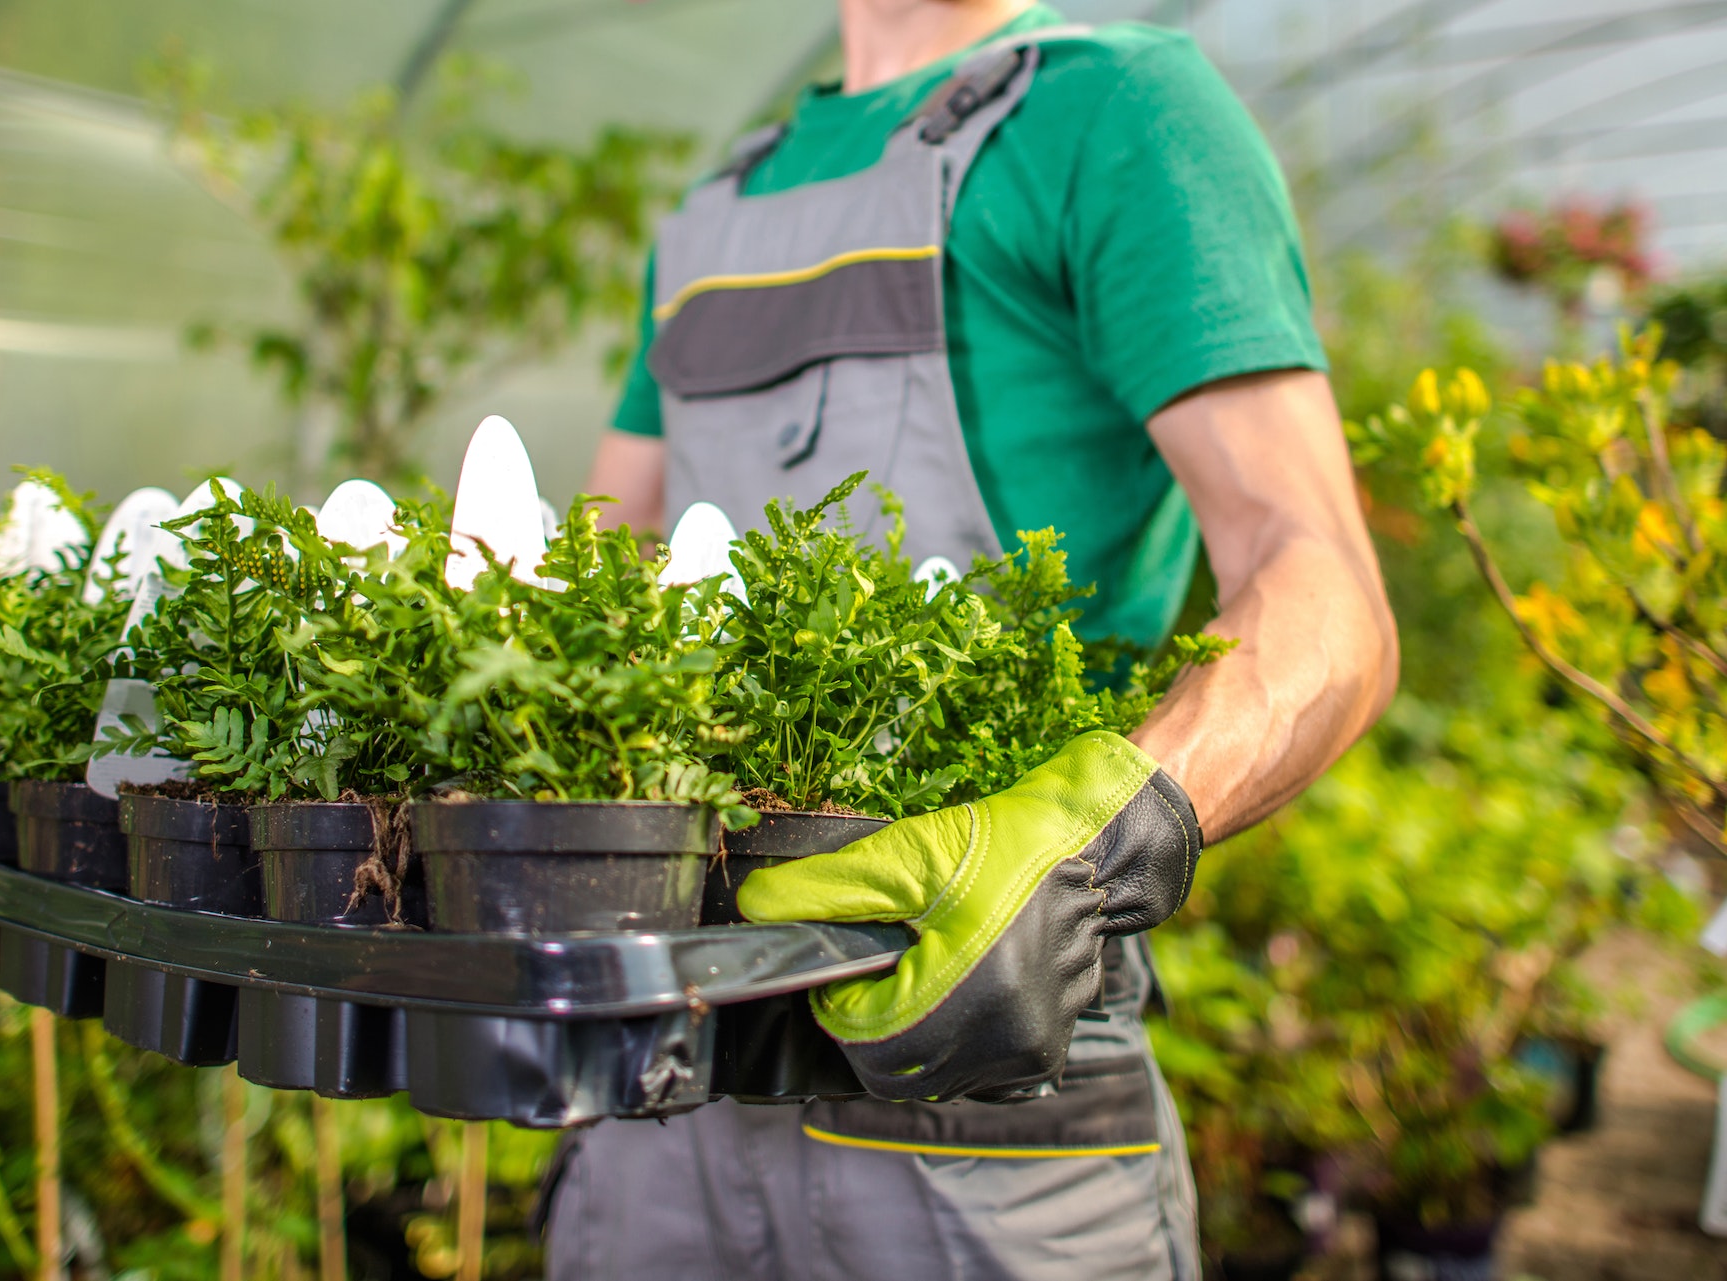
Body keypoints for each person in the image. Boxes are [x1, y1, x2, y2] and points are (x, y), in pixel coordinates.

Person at [547, 0, 1398, 1276]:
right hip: (660, 1081)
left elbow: (1320, 585)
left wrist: (1087, 847)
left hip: (982, 1095)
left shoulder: (1118, 111)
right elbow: (599, 574)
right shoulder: (716, 207)